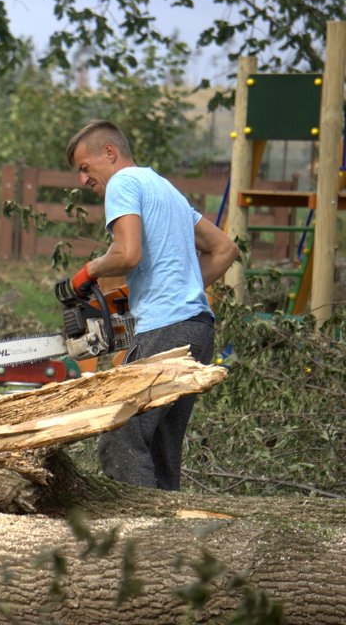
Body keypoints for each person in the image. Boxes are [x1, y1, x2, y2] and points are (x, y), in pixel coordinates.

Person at [65, 119, 239, 491]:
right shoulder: (165, 189)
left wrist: (88, 271)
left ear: (109, 152)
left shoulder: (123, 182)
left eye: (85, 167)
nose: (83, 179)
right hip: (196, 328)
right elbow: (225, 249)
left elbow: (128, 253)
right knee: (160, 445)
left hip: (165, 331)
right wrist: (178, 288)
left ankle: (138, 524)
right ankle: (166, 523)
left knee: (121, 432)